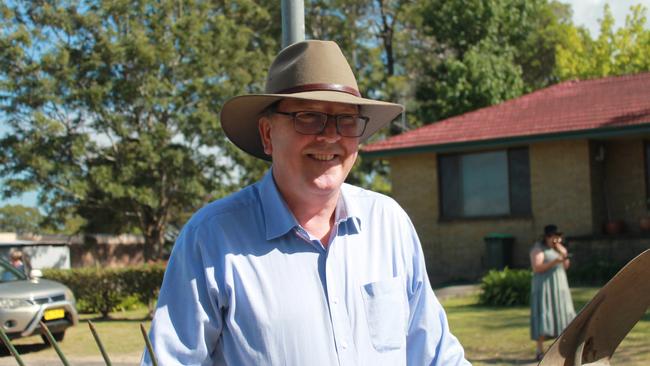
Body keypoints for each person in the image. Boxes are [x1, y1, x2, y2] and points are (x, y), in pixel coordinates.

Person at [142, 40, 469, 365]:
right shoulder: (212, 239)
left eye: (346, 120)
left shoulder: (388, 224)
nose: (330, 136)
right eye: (308, 117)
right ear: (268, 134)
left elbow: (436, 356)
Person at [529, 224, 576, 361]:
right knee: (545, 314)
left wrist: (563, 254)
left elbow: (566, 266)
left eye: (557, 237)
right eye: (552, 237)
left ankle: (564, 349)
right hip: (545, 287)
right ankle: (539, 349)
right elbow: (537, 267)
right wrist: (554, 261)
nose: (555, 240)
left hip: (559, 287)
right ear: (547, 237)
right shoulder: (538, 249)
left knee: (563, 314)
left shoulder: (558, 249)